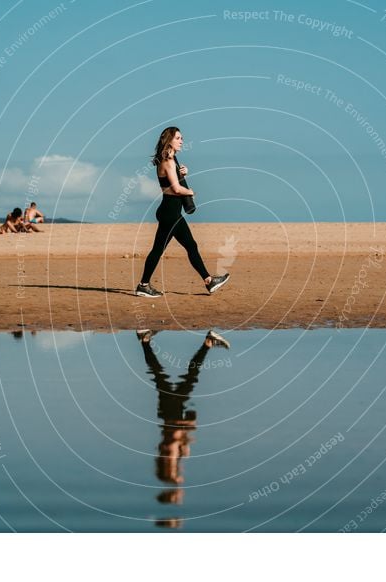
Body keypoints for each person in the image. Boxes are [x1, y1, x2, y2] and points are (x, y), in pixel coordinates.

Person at [136, 328, 230, 527]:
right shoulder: (168, 470)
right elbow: (171, 441)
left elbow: (170, 440)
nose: (181, 496)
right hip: (169, 413)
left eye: (177, 498)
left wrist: (186, 427)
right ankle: (145, 341)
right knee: (162, 375)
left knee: (181, 376)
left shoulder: (169, 469)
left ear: (171, 495)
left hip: (173, 414)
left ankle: (207, 342)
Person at [135, 127, 230, 298]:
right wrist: (191, 192)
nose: (181, 141)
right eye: (178, 138)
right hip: (170, 213)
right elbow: (177, 189)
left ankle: (208, 281)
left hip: (169, 212)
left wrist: (181, 173)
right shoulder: (168, 161)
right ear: (169, 140)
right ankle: (208, 281)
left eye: (182, 138)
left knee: (167, 248)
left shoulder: (171, 160)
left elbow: (173, 181)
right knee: (177, 247)